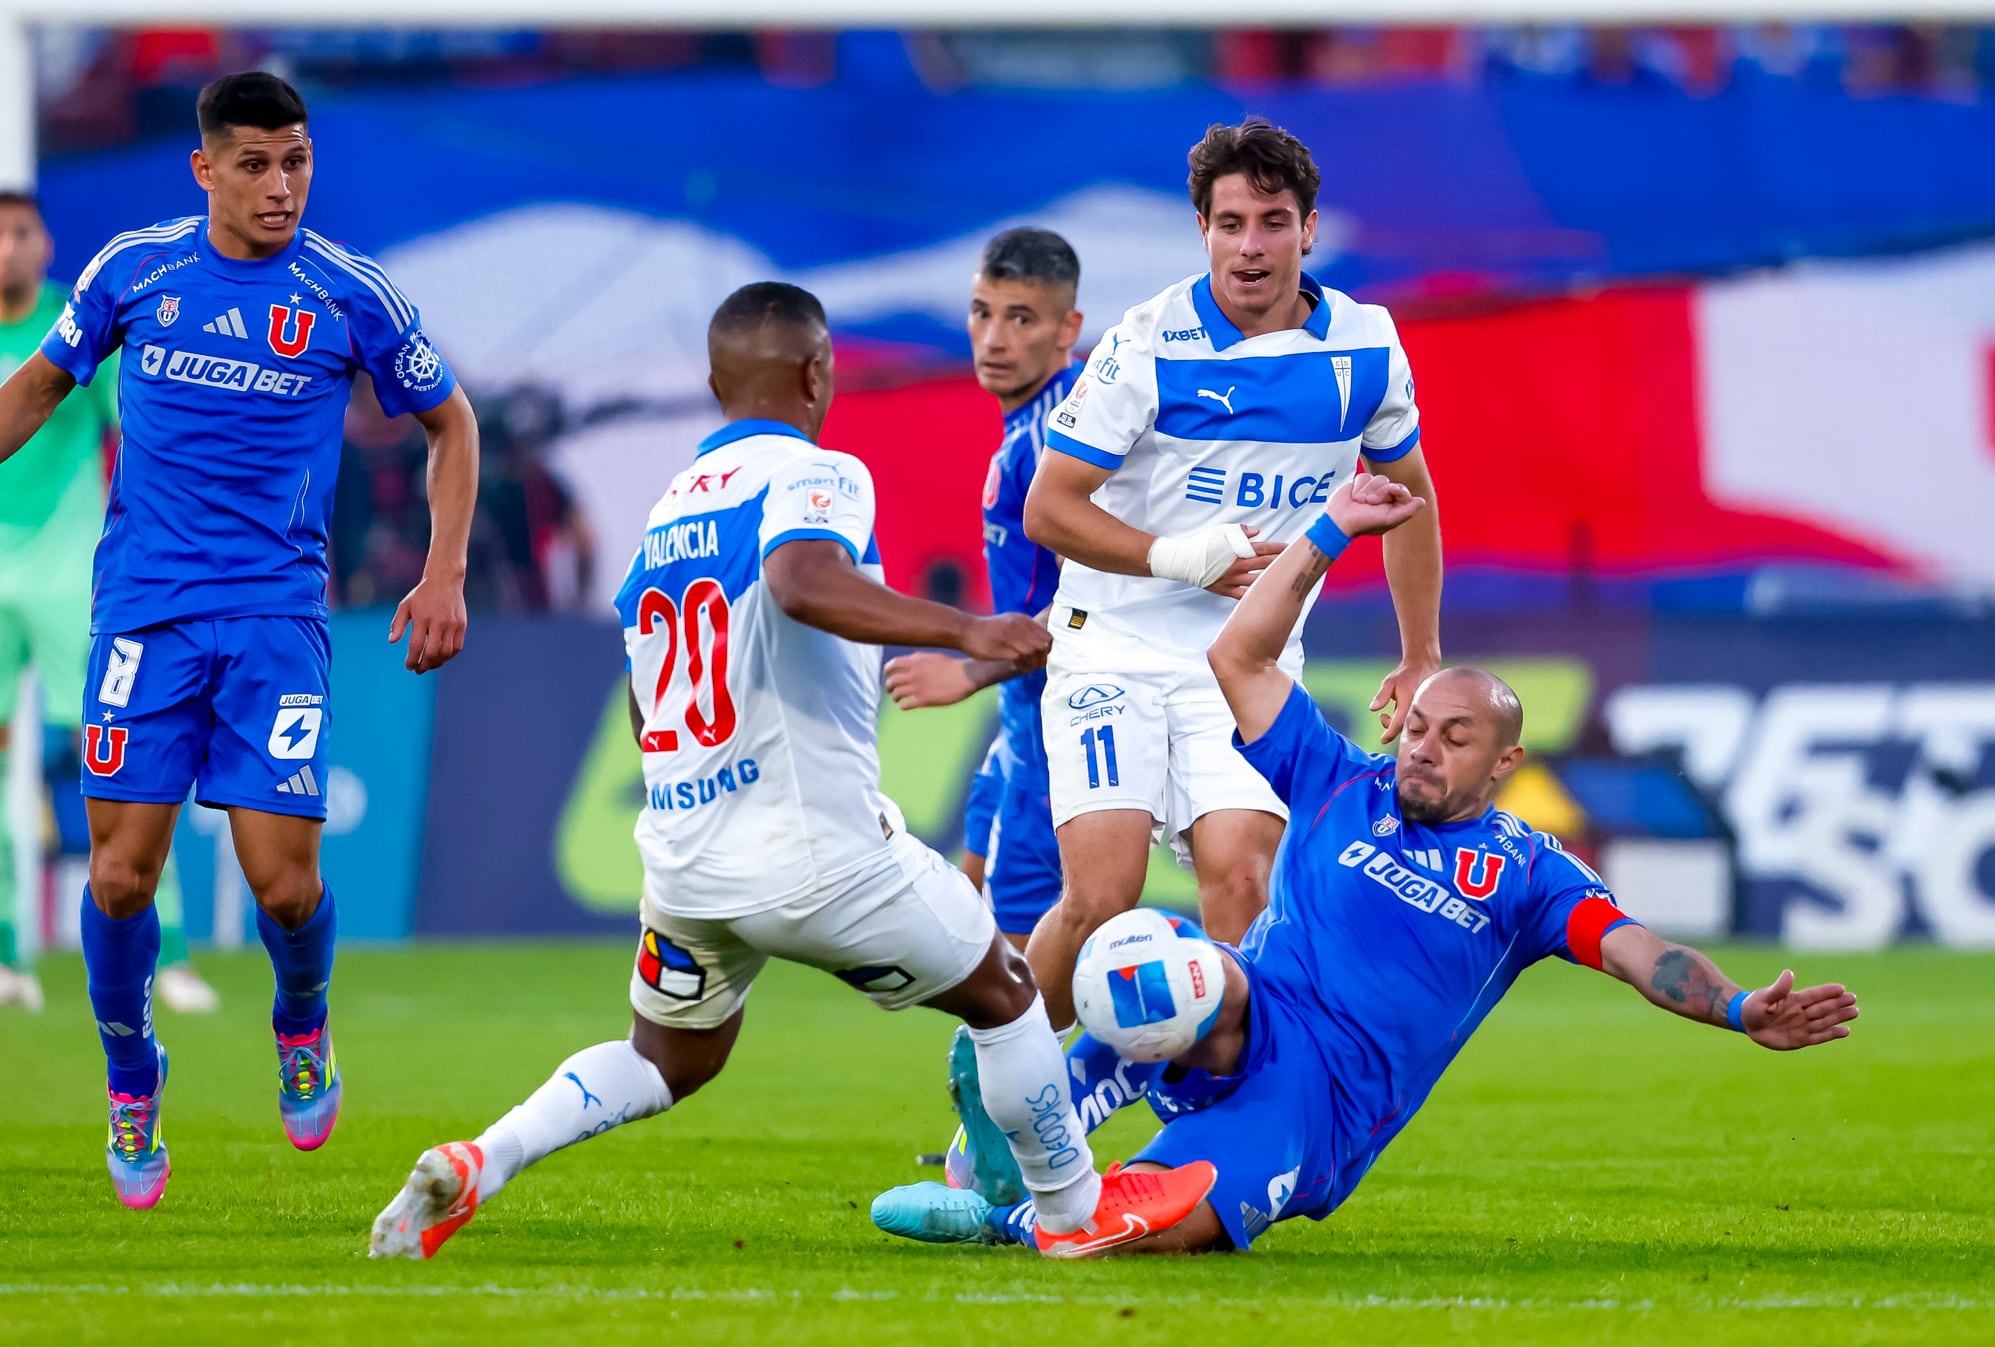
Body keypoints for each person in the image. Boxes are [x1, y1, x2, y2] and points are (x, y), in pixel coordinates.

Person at [368, 282, 1213, 1262]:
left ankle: (484, 1160)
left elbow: (648, 704)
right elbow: (801, 579)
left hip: (687, 866)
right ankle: (1071, 1216)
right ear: (817, 374)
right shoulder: (819, 473)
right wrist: (968, 627)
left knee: (669, 1058)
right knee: (1008, 995)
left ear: (715, 383)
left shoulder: (665, 517)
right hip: (818, 857)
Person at [871, 474, 1858, 1255]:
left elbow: (1640, 952)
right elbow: (1239, 660)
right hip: (1246, 1003)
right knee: (1151, 957)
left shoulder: (1529, 872)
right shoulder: (1346, 781)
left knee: (1157, 1235)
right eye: (1418, 726)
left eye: (1453, 736)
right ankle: (1010, 1158)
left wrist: (1735, 1008)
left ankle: (1022, 1213)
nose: (1422, 746)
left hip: (1322, 1099)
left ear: (1504, 761)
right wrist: (1331, 530)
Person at [0, 73, 478, 1209]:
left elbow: (449, 424)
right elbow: (33, 391)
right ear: (204, 169)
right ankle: (132, 1075)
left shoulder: (349, 292)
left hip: (274, 620)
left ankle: (301, 1022)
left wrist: (442, 569)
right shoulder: (135, 273)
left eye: (297, 161)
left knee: (285, 886)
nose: (281, 185)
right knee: (120, 875)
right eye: (256, 164)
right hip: (144, 616)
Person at [949, 116, 1446, 1204]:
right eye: (1230, 224)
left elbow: (1408, 498)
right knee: (1101, 898)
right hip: (1113, 646)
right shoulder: (1146, 343)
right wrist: (1180, 553)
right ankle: (992, 1081)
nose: (1251, 247)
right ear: (1203, 231)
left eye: (1274, 223)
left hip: (1246, 661)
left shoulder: (1365, 347)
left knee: (1242, 880)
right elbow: (1049, 508)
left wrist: (1420, 652)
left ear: (1309, 231)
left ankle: (1228, 1128)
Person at [0, 191, 218, 1017]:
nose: (9, 248)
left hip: (69, 581)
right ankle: (6, 952)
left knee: (122, 757)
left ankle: (172, 952)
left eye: (22, 232)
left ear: (46, 242)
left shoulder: (75, 321)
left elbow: (135, 430)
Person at [883, 227, 1084, 950]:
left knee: (1018, 985)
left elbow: (1098, 605)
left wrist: (968, 669)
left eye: (1020, 317)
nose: (993, 337)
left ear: (1068, 329)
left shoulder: (1069, 438)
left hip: (1065, 731)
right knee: (962, 924)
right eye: (981, 311)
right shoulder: (1027, 428)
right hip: (1024, 722)